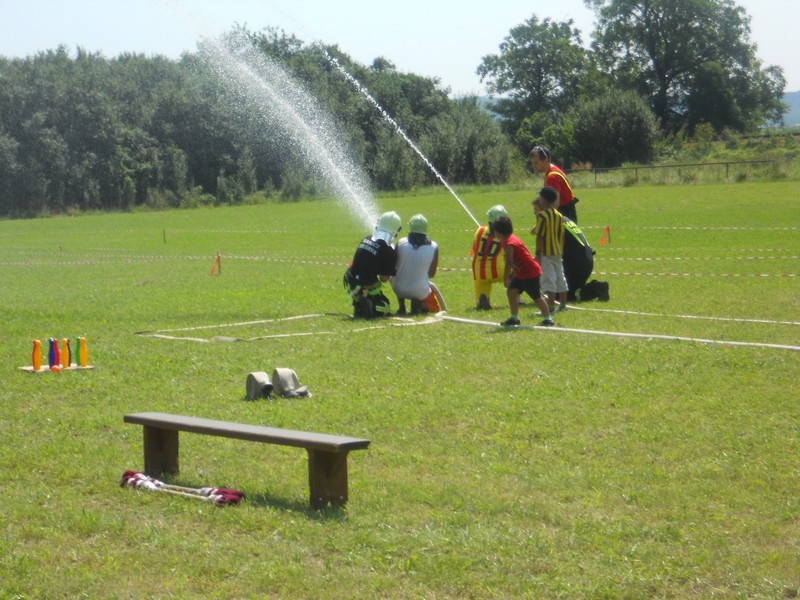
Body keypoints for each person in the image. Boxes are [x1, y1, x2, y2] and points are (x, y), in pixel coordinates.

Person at [492, 215, 553, 327]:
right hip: (521, 274)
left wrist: (506, 278)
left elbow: (509, 262)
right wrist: (514, 273)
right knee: (511, 292)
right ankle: (514, 318)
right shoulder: (505, 240)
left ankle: (548, 319)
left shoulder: (510, 243)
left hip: (530, 273)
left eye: (495, 231)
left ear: (500, 232)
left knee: (536, 297)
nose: (494, 233)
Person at [343, 211, 401, 319]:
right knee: (384, 306)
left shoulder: (366, 239)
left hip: (351, 281)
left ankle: (358, 303)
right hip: (365, 284)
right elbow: (384, 278)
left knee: (365, 284)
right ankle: (371, 305)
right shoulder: (389, 251)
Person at [391, 214, 440, 315]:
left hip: (398, 289)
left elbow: (393, 267)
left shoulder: (400, 242)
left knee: (397, 276)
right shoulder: (434, 247)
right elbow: (431, 274)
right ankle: (420, 305)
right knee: (435, 307)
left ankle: (402, 307)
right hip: (420, 292)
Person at [533, 186, 569, 311]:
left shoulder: (542, 216)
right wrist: (560, 248)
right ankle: (563, 304)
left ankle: (551, 306)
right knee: (560, 277)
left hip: (546, 253)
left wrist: (537, 253)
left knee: (549, 279)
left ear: (543, 199)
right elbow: (562, 234)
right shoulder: (559, 215)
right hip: (558, 252)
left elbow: (540, 236)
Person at [470, 205, 507, 310]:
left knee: (481, 285)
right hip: (497, 271)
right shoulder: (505, 236)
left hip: (479, 272)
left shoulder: (480, 230)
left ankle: (482, 298)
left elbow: (474, 248)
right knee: (514, 273)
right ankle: (517, 297)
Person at [529, 145, 579, 222]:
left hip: (564, 217)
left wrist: (545, 222)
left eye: (536, 163)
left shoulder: (552, 177)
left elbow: (555, 205)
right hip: (567, 215)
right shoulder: (551, 170)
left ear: (545, 160)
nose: (533, 166)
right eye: (532, 163)